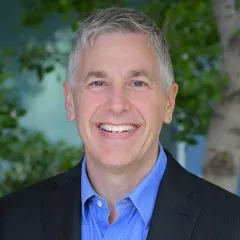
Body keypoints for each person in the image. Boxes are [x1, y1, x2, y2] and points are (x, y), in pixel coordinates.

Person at [0, 7, 240, 240]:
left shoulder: (231, 224)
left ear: (168, 102)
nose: (117, 104)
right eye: (97, 83)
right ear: (70, 101)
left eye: (137, 83)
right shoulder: (10, 221)